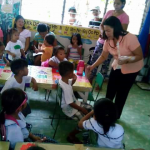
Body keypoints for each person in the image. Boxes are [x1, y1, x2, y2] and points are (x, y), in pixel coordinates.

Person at [88, 16, 143, 119]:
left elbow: (139, 56)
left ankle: (115, 116)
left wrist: (127, 59)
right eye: (105, 30)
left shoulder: (130, 38)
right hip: (117, 66)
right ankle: (105, 113)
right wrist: (92, 66)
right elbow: (103, 56)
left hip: (132, 69)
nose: (106, 33)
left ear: (116, 28)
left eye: (108, 30)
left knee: (121, 94)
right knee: (110, 91)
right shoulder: (108, 40)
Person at [89, 0, 129, 82]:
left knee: (105, 63)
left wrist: (110, 36)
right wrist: (103, 33)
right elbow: (101, 25)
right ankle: (90, 78)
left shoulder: (125, 16)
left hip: (112, 43)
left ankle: (99, 83)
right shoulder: (109, 12)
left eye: (118, 3)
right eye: (114, 3)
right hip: (102, 41)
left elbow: (122, 31)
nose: (115, 5)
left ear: (123, 4)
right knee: (94, 59)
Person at [59, 61, 92, 143]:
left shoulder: (63, 80)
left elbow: (69, 85)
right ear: (69, 74)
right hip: (70, 108)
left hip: (73, 103)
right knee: (84, 122)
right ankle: (73, 135)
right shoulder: (66, 88)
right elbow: (70, 103)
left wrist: (74, 80)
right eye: (72, 71)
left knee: (91, 108)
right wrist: (81, 109)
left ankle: (90, 123)